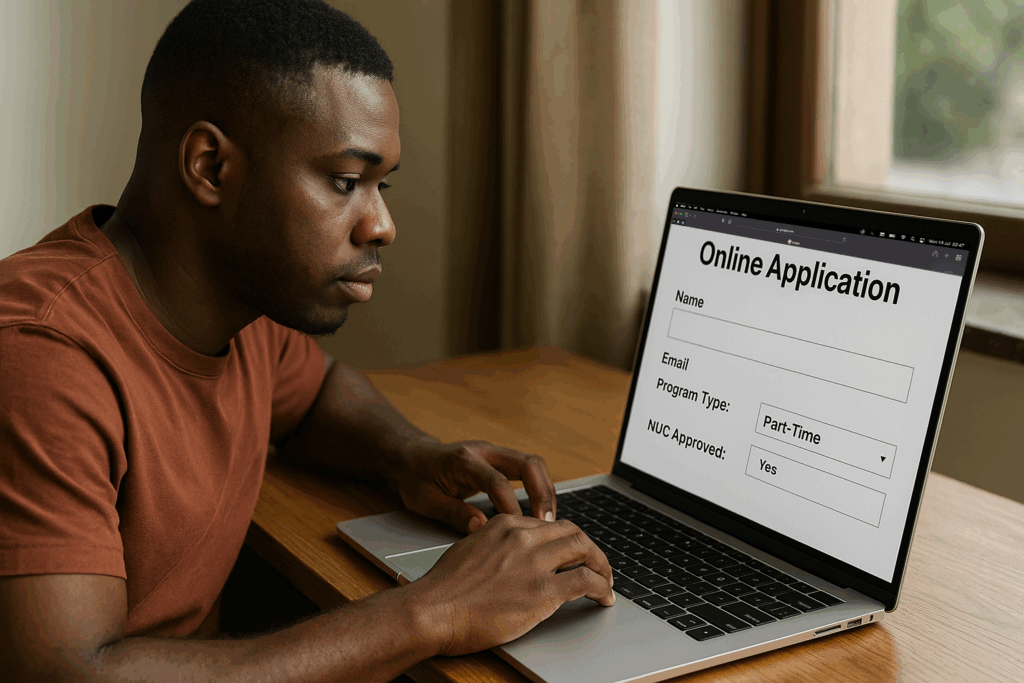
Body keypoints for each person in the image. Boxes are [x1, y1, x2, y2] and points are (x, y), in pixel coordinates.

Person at [0, 1, 614, 680]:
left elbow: (318, 394)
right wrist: (435, 609)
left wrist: (409, 456)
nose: (381, 225)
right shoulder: (42, 356)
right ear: (209, 167)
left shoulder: (241, 302)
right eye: (347, 183)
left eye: (381, 186)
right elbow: (69, 673)